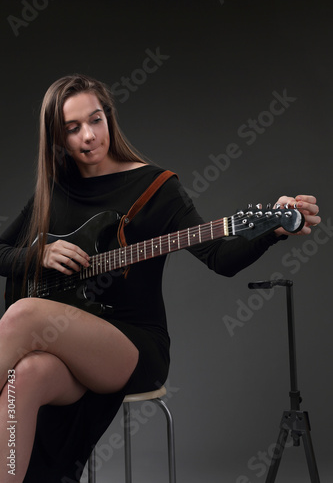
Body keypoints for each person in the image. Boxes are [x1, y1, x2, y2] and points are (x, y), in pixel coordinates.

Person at [0, 74, 320, 483]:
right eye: (72, 128)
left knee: (22, 315)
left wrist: (272, 231)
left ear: (109, 118)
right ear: (57, 138)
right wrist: (37, 254)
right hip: (67, 351)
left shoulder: (155, 186)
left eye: (95, 120)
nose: (89, 136)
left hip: (132, 345)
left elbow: (218, 257)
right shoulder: (56, 189)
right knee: (23, 377)